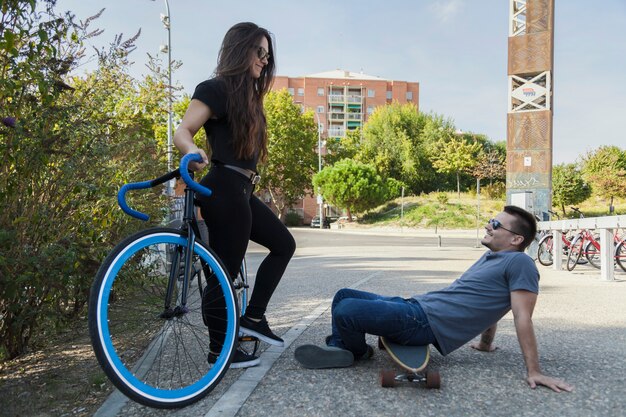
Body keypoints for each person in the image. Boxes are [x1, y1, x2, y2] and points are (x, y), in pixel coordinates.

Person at [295, 206, 573, 392]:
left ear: (516, 239)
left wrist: (534, 371)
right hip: (415, 307)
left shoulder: (520, 265)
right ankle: (347, 348)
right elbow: (490, 305)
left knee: (346, 311)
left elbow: (521, 315)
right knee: (343, 295)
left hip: (422, 324)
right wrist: (486, 344)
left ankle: (351, 351)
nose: (488, 226)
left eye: (496, 224)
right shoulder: (492, 257)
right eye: (491, 220)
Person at [174, 22, 295, 368]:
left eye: (267, 56)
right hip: (223, 186)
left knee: (284, 244)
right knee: (222, 272)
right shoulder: (215, 89)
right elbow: (183, 130)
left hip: (241, 189)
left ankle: (253, 319)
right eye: (259, 52)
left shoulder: (250, 99)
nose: (263, 60)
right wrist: (192, 152)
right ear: (240, 50)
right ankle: (219, 351)